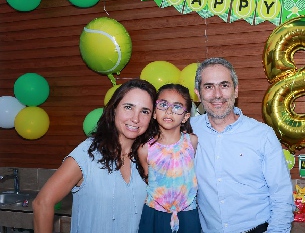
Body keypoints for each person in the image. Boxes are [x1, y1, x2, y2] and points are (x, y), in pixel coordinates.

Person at [33, 79, 157, 233]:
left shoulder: (148, 156)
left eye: (145, 111)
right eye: (128, 107)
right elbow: (42, 203)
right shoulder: (87, 153)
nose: (136, 118)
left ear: (152, 117)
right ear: (114, 109)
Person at [190, 57, 294, 233]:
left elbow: (282, 196)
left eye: (224, 85)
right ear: (198, 94)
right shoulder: (188, 131)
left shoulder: (263, 135)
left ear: (236, 90)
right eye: (208, 86)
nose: (217, 94)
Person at [136, 83, 200, 233]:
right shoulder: (145, 148)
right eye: (163, 104)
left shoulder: (192, 141)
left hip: (188, 212)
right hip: (155, 213)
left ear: (185, 117)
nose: (169, 111)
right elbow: (147, 178)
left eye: (177, 107)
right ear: (154, 113)